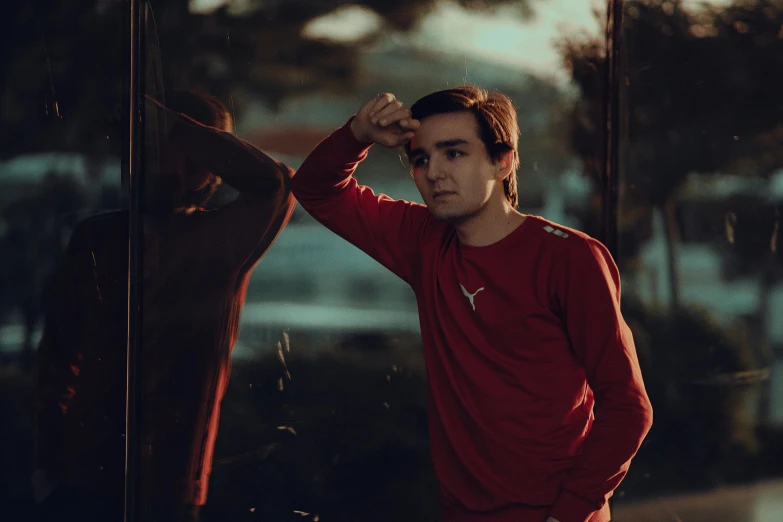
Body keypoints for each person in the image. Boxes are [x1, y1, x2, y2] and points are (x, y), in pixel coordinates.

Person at [290, 86, 653, 522]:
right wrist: (358, 134)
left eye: (454, 153)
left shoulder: (569, 257)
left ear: (503, 161)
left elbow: (628, 406)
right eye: (421, 159)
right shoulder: (423, 241)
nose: (434, 172)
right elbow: (315, 189)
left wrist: (569, 513)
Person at [33, 90, 296, 522]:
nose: (172, 163)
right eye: (155, 147)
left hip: (169, 481)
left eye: (194, 152)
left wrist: (172, 125)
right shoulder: (97, 237)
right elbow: (59, 357)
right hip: (80, 473)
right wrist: (47, 465)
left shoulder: (222, 239)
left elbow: (276, 183)